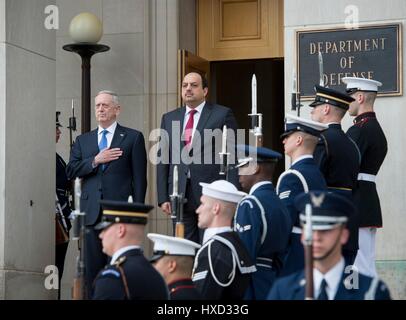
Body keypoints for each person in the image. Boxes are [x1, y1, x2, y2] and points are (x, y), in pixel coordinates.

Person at [66, 90, 147, 296]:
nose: (100, 109)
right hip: (90, 213)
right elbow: (71, 170)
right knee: (91, 271)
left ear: (117, 110)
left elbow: (139, 179)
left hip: (119, 215)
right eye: (97, 106)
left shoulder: (133, 137)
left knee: (119, 269)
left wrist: (136, 216)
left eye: (105, 105)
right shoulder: (83, 140)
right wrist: (95, 160)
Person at [156, 72, 239, 244]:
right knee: (183, 247)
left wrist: (230, 195)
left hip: (211, 194)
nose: (188, 89)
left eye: (193, 85)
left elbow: (232, 157)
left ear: (205, 90)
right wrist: (163, 196)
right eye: (185, 85)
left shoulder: (222, 115)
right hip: (179, 194)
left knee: (209, 244)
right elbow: (163, 158)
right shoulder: (169, 118)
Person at [267, 191, 391, 300]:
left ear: (344, 235)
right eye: (310, 230)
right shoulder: (282, 291)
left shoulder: (371, 292)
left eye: (325, 230)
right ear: (303, 235)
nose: (316, 237)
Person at [309, 85, 361, 265]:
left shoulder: (321, 140)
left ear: (326, 108)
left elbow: (313, 180)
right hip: (350, 219)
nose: (312, 112)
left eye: (315, 107)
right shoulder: (352, 143)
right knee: (347, 283)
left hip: (328, 218)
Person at [342, 77, 388, 277]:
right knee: (366, 262)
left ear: (360, 97)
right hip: (367, 201)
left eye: (349, 97)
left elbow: (345, 167)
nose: (347, 102)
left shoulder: (359, 130)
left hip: (357, 201)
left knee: (358, 267)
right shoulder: (375, 128)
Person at [234, 145, 291, 299]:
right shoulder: (279, 203)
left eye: (243, 166)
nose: (238, 173)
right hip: (273, 279)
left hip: (252, 284)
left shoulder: (250, 204)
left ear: (256, 168)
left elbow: (244, 256)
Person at [276, 114, 328, 277]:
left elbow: (284, 222)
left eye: (287, 136)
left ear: (298, 140)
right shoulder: (317, 173)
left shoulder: (292, 176)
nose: (283, 140)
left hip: (295, 253)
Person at [92, 200, 169, 300]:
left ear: (120, 230)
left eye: (105, 229)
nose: (101, 235)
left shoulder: (112, 277)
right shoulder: (157, 276)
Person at [192, 180, 256, 299]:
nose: (198, 210)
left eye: (202, 204)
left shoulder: (214, 250)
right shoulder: (236, 243)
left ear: (216, 208)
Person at [148, 233, 202, 300]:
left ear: (171, 265)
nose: (153, 266)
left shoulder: (173, 296)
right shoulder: (196, 294)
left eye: (155, 262)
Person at [55, 111, 72, 299]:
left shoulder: (57, 157)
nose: (59, 131)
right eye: (56, 128)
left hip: (63, 218)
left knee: (59, 269)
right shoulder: (47, 157)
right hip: (56, 220)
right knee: (54, 268)